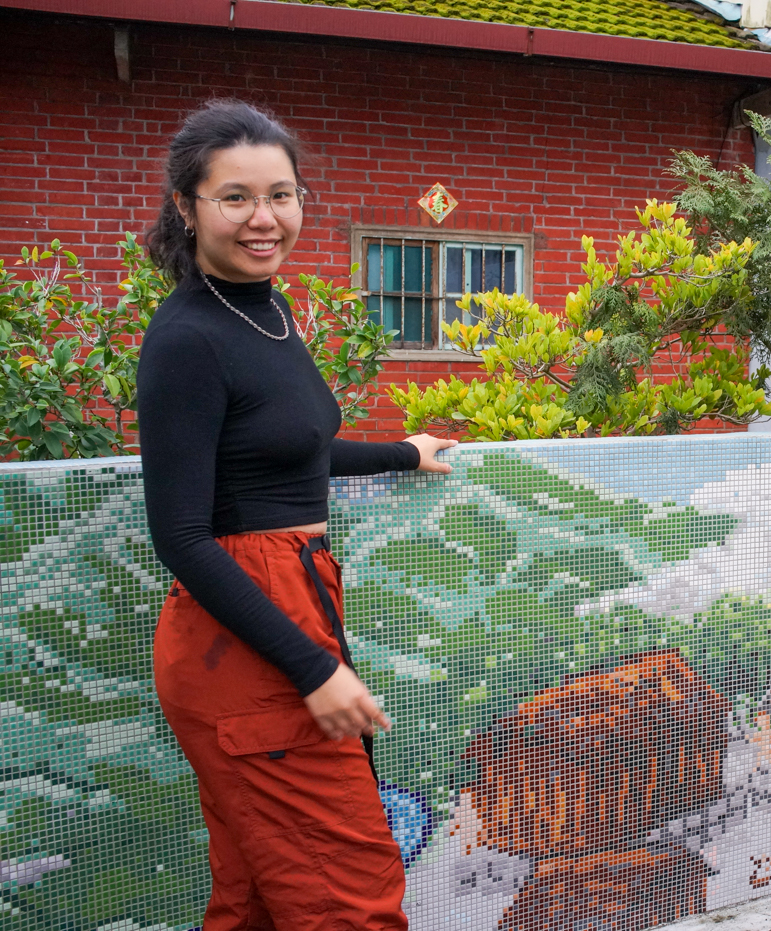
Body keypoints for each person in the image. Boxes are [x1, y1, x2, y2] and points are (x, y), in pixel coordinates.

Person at [138, 99, 456, 931]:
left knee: (256, 893)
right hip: (242, 634)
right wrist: (312, 670)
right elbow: (180, 534)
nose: (263, 217)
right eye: (234, 197)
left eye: (281, 194)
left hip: (287, 599)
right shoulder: (187, 338)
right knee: (348, 887)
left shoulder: (268, 310)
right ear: (187, 207)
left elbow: (288, 452)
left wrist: (401, 452)